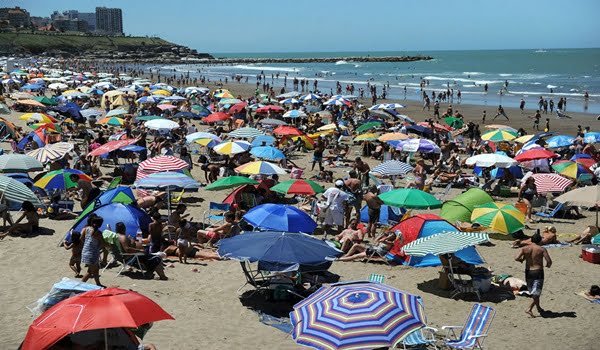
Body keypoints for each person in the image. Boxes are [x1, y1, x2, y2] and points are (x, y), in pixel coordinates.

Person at [515, 232, 552, 317]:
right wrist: (548, 265)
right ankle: (529, 308)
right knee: (537, 292)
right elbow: (549, 261)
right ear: (539, 241)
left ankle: (538, 308)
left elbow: (516, 258)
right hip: (538, 271)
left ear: (531, 240)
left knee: (533, 291)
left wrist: (521, 260)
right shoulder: (542, 249)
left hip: (528, 272)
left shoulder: (525, 248)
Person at [80, 216, 105, 287]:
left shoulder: (86, 229)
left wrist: (87, 244)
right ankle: (80, 284)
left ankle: (98, 284)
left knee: (95, 269)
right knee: (90, 271)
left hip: (86, 252)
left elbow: (81, 239)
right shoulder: (99, 233)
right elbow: (103, 243)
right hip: (93, 254)